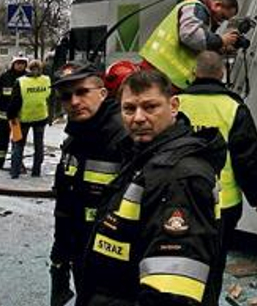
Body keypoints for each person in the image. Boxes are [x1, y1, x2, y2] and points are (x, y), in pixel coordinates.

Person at [78, 70, 226, 306]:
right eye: (129, 109)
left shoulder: (177, 176)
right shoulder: (144, 158)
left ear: (174, 105)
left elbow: (171, 294)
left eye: (150, 107)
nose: (138, 118)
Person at [177, 51, 257, 300]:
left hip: (179, 201)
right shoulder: (234, 108)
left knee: (178, 264)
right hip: (223, 206)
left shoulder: (175, 104)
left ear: (194, 73)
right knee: (213, 267)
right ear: (222, 73)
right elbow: (249, 159)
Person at [49, 60, 128, 306]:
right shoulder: (75, 137)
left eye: (82, 92)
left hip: (116, 259)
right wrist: (60, 253)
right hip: (83, 252)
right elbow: (66, 201)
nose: (73, 102)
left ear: (103, 93)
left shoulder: (124, 137)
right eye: (66, 96)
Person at [139, 0, 241, 90]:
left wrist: (220, 48)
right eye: (222, 16)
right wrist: (220, 40)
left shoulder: (200, 14)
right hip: (161, 72)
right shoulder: (198, 8)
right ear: (217, 5)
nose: (221, 21)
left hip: (163, 72)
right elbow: (190, 36)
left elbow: (196, 44)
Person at [7, 59, 52, 179]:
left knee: (18, 144)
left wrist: (11, 116)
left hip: (23, 118)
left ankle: (15, 171)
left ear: (29, 68)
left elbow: (15, 101)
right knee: (39, 145)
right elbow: (49, 97)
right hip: (41, 117)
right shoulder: (46, 80)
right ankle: (36, 171)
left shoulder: (21, 82)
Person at [0, 55, 28, 169]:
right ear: (13, 64)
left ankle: (17, 164)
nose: (20, 65)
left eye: (22, 63)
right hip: (3, 115)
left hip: (17, 117)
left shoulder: (27, 78)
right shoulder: (5, 76)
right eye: (18, 63)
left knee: (17, 141)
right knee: (1, 140)